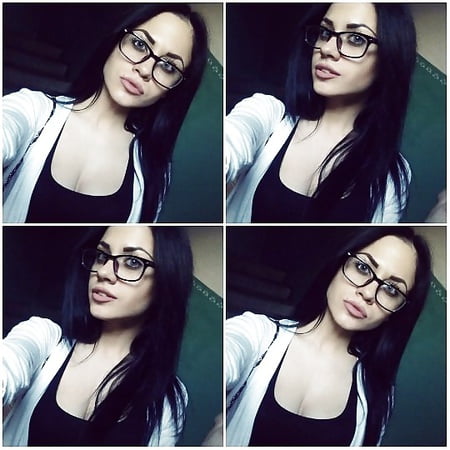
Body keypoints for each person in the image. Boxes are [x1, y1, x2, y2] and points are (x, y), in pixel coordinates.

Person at [226, 227, 431, 445]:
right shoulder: (257, 333)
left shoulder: (377, 394)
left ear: (397, 312)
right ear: (339, 265)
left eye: (391, 290)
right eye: (363, 268)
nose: (368, 293)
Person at [3, 4, 208, 223]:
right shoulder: (34, 110)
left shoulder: (154, 170)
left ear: (172, 89)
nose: (145, 70)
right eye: (139, 44)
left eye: (168, 67)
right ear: (116, 41)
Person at [3, 226, 193, 445]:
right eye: (102, 256)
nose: (103, 272)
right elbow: (9, 362)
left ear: (166, 280)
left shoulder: (169, 399)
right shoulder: (45, 338)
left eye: (133, 262)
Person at [226, 3, 416, 223]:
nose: (327, 49)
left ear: (390, 57)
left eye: (356, 39)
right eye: (325, 33)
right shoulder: (269, 114)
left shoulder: (394, 174)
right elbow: (232, 141)